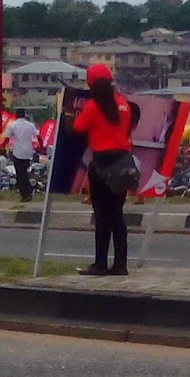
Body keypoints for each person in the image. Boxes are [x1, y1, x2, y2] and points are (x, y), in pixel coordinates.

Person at [71, 63, 140, 277]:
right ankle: (120, 264)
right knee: (117, 215)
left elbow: (78, 127)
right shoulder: (123, 104)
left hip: (101, 163)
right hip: (122, 163)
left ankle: (100, 264)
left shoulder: (93, 106)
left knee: (102, 217)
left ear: (91, 84)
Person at [4, 108, 38, 204]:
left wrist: (3, 147)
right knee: (25, 173)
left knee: (20, 175)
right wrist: (42, 146)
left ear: (16, 115)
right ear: (24, 115)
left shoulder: (12, 125)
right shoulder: (30, 125)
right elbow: (37, 135)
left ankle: (25, 194)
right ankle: (28, 192)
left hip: (17, 152)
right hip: (28, 153)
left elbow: (7, 138)